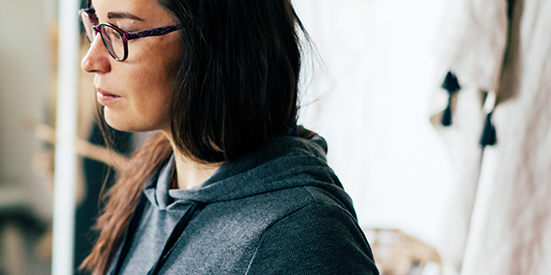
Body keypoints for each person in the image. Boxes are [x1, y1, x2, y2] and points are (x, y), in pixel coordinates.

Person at [77, 0, 378, 274]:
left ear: (212, 42)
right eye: (95, 24)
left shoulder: (303, 236)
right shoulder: (154, 186)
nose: (91, 61)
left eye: (120, 31)